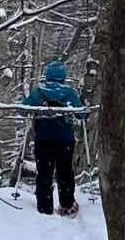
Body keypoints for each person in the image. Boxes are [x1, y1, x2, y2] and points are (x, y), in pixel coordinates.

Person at [21, 61, 83, 216]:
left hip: (43, 139)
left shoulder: (39, 92)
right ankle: (67, 205)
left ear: (47, 75)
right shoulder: (69, 93)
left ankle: (44, 207)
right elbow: (82, 114)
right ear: (63, 76)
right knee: (65, 172)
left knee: (44, 172)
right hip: (65, 140)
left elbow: (23, 109)